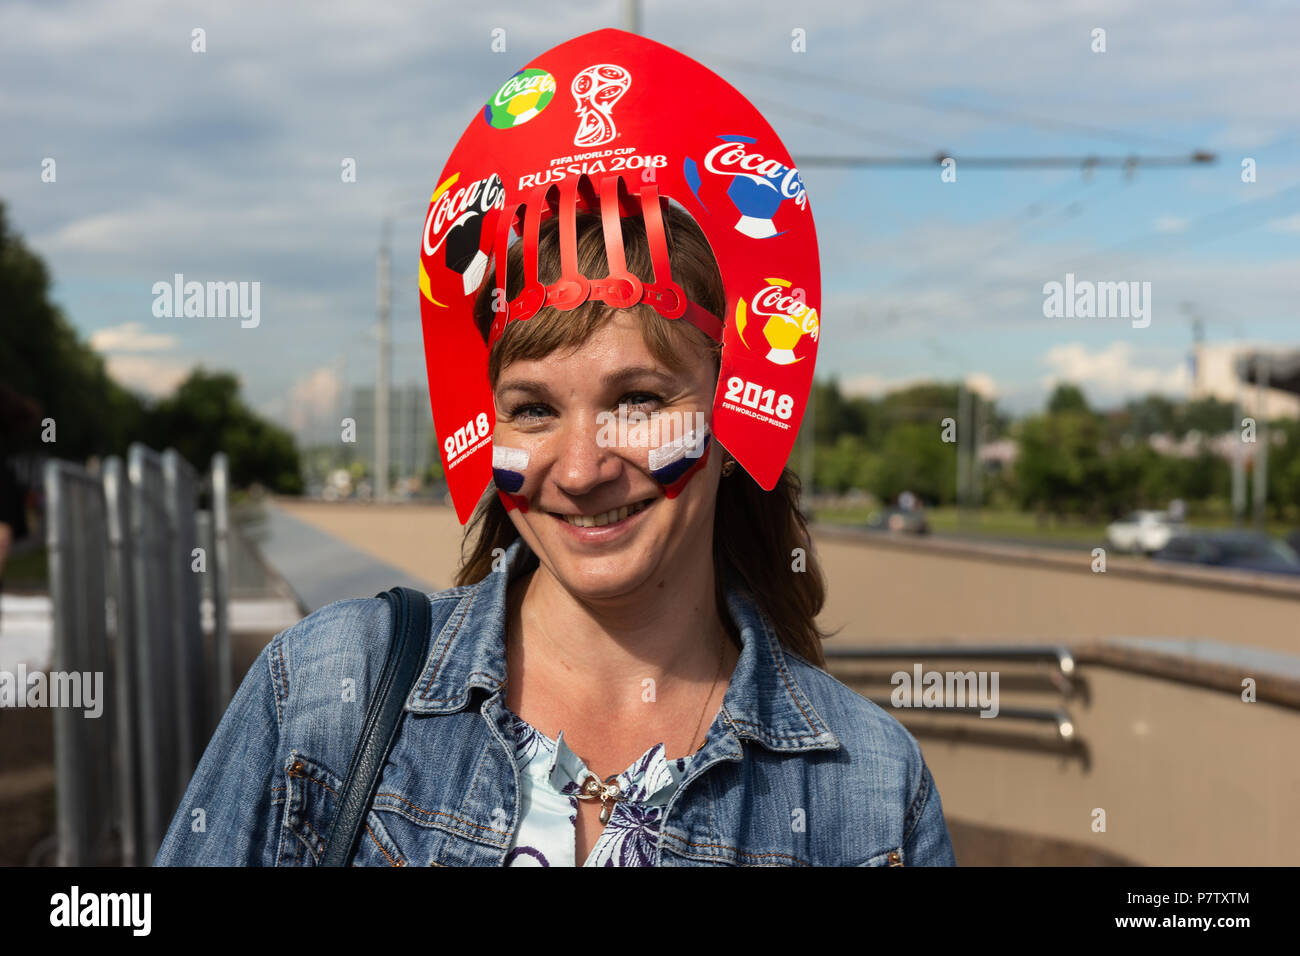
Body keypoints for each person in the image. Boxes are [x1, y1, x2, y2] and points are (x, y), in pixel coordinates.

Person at [155, 29, 956, 867]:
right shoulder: (324, 693)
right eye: (533, 409)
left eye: (638, 400)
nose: (580, 470)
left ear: (731, 417)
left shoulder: (870, 793)